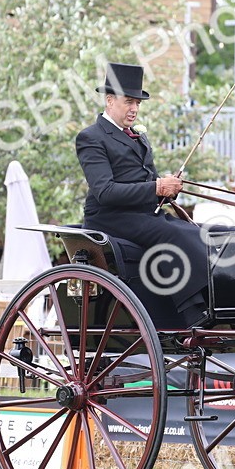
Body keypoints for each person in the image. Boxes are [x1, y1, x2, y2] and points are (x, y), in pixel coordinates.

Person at [76, 62, 208, 326]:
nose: (134, 109)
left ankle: (208, 298)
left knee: (197, 232)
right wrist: (156, 187)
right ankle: (191, 309)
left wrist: (168, 189)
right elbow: (105, 191)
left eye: (137, 103)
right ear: (110, 101)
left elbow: (149, 181)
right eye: (129, 102)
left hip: (143, 214)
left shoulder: (138, 137)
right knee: (175, 234)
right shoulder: (91, 137)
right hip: (110, 217)